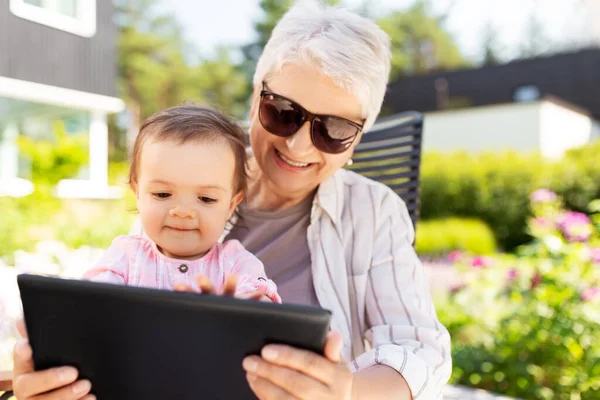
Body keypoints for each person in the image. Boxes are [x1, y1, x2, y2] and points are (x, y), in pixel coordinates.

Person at [11, 2, 451, 399]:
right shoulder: (190, 175)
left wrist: (346, 393)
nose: (298, 146)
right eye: (283, 111)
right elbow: (114, 307)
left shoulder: (373, 213)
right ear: (256, 96)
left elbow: (420, 352)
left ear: (356, 140)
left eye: (333, 130)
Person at [80, 105, 280, 303]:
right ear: (137, 194)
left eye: (206, 198)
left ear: (230, 205)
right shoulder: (126, 257)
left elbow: (263, 303)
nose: (183, 212)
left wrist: (241, 307)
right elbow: (91, 301)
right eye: (163, 193)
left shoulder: (235, 263)